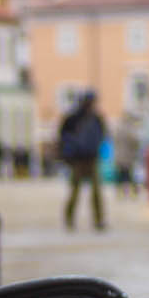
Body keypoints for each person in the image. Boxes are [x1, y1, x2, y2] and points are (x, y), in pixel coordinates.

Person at [57, 92, 107, 230]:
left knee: (94, 192)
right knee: (75, 191)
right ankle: (70, 219)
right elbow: (63, 138)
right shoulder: (74, 119)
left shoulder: (94, 118)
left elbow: (102, 135)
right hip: (78, 160)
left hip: (91, 158)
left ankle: (98, 220)